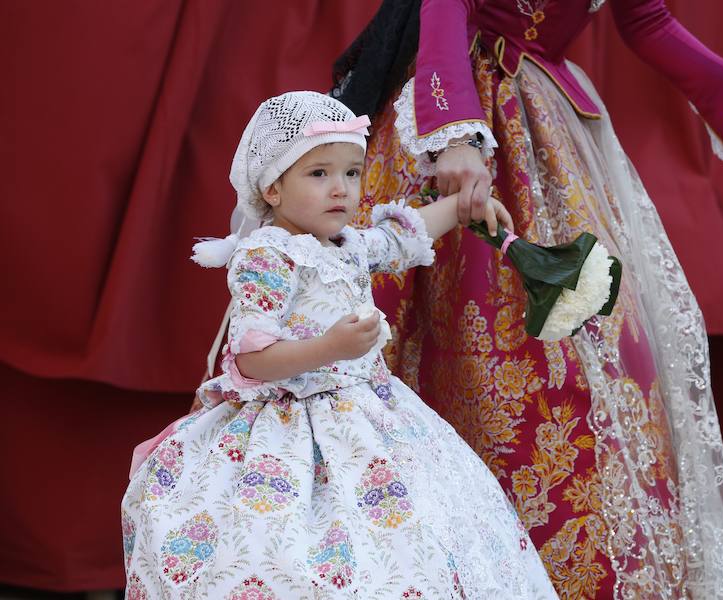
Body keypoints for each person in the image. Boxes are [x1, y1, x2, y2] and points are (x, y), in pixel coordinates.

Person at [331, 2, 723, 598]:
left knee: (599, 350)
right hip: (465, 107)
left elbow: (646, 21)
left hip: (546, 120)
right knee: (475, 352)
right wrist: (453, 127)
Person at [122, 91, 559, 599]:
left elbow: (400, 238)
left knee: (413, 536)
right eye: (318, 174)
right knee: (282, 550)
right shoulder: (266, 254)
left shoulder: (348, 244)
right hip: (288, 424)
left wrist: (465, 208)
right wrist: (328, 347)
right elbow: (249, 357)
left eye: (351, 173)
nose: (340, 189)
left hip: (369, 416)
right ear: (273, 189)